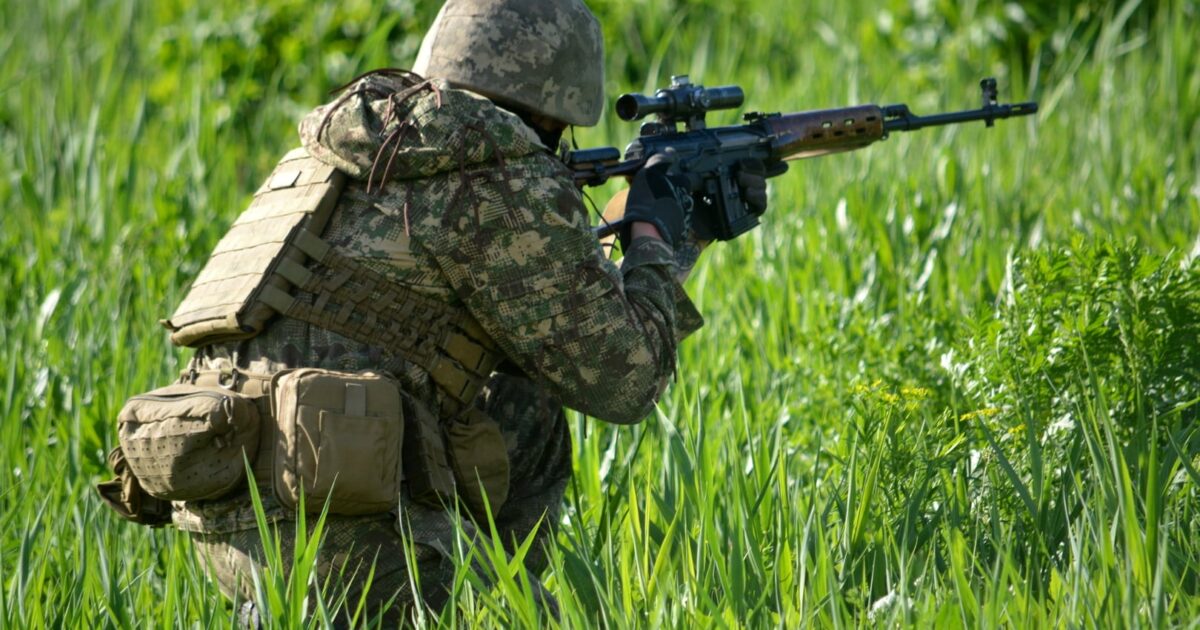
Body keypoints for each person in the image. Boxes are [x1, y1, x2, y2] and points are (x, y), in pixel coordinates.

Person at [148, 0, 769, 624]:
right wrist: (657, 239)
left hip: (226, 513)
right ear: (553, 104)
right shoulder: (491, 170)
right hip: (343, 528)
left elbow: (549, 318)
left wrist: (656, 240)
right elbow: (624, 380)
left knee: (522, 396)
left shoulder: (336, 155)